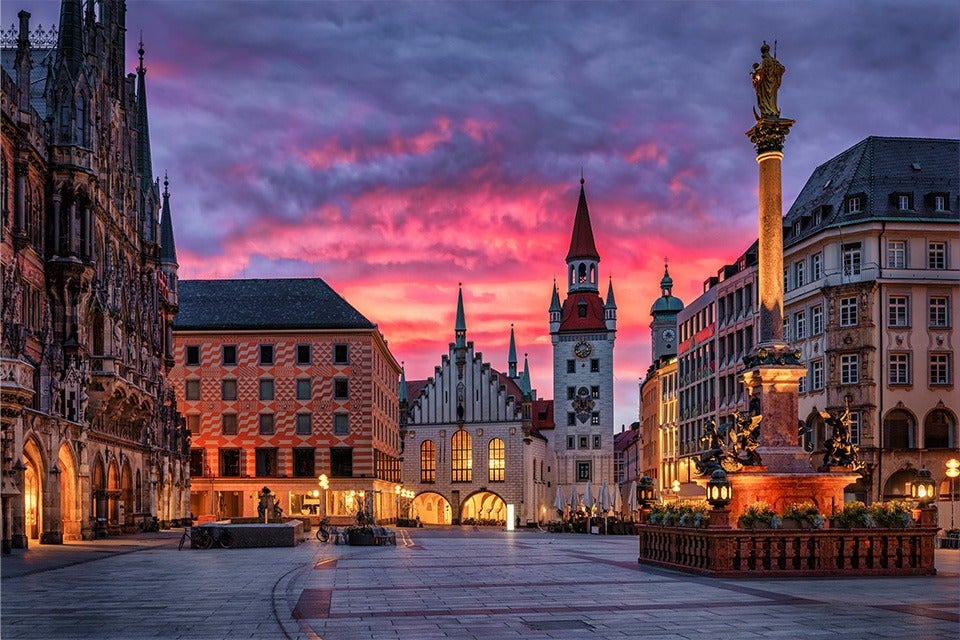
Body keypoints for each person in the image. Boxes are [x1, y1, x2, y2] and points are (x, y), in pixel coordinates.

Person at [750, 41, 785, 119]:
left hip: (765, 86)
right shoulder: (774, 61)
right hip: (773, 84)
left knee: (764, 99)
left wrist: (754, 75)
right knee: (771, 98)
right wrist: (776, 72)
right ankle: (772, 110)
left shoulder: (765, 61)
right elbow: (782, 68)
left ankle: (768, 112)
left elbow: (760, 71)